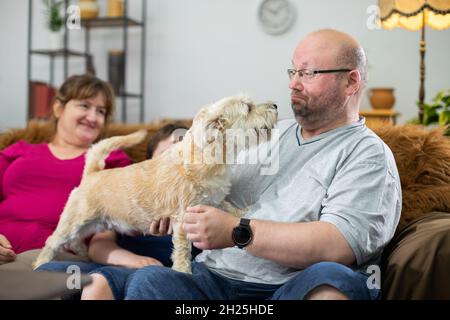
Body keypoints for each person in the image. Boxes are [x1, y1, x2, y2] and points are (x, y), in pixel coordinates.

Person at [122, 29, 402, 300]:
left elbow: (337, 244)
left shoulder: (368, 155)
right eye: (293, 71)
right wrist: (171, 210)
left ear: (351, 82)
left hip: (291, 286)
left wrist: (237, 231)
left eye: (308, 73)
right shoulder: (266, 132)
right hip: (213, 279)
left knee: (332, 281)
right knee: (150, 281)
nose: (294, 83)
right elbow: (212, 192)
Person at [37, 123, 197, 300]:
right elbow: (98, 247)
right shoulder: (129, 193)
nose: (173, 166)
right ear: (147, 164)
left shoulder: (199, 197)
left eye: (181, 157)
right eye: (166, 157)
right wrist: (133, 260)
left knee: (102, 281)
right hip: (119, 264)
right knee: (47, 272)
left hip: (150, 275)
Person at [0, 74, 132, 270]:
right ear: (58, 108)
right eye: (85, 106)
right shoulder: (18, 151)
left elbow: (117, 219)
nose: (93, 117)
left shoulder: (111, 160)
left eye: (101, 111)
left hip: (51, 256)